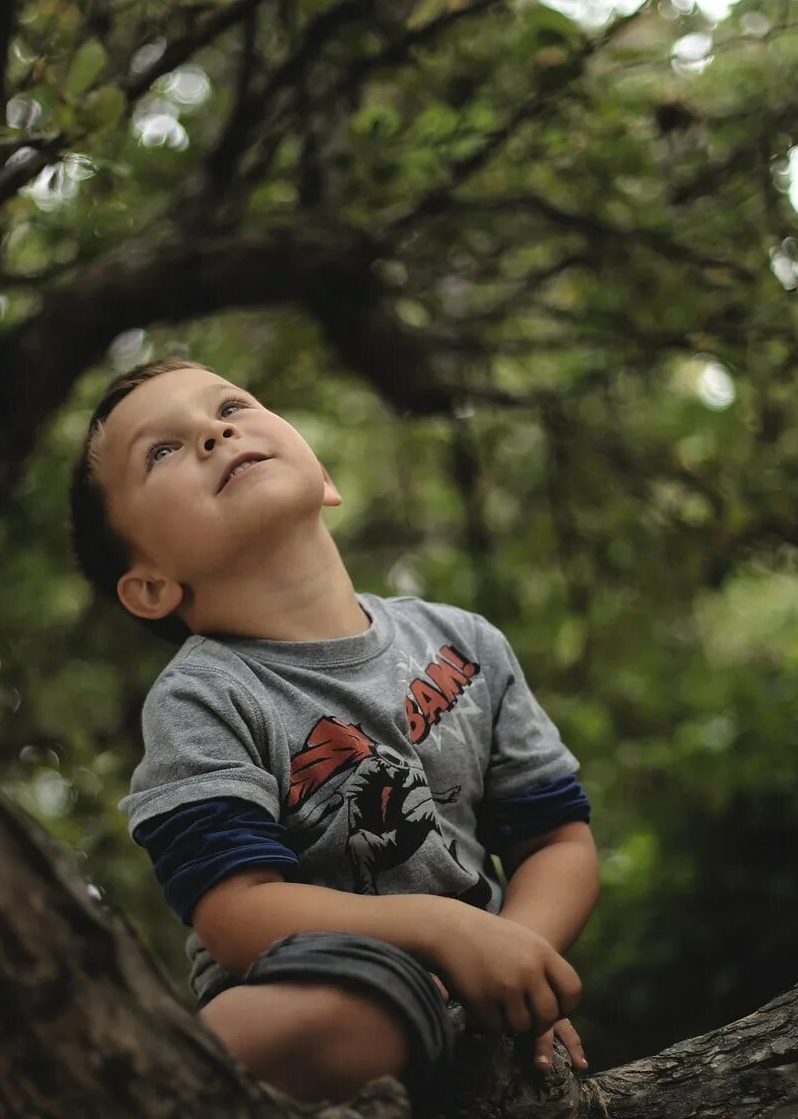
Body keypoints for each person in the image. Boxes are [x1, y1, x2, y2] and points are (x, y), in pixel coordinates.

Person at [69, 359, 600, 1108]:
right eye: (161, 451)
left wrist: (517, 963)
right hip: (313, 1000)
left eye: (230, 405)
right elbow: (236, 912)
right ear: (151, 585)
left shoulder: (464, 642)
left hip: (469, 1015)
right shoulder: (206, 695)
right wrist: (439, 928)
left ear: (322, 477)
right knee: (359, 1008)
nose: (216, 432)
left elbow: (556, 840)